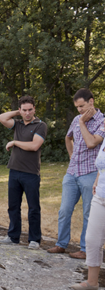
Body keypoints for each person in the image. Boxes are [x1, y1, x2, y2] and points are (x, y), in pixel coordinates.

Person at [47, 89, 105, 259]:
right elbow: (68, 137)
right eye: (77, 107)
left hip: (90, 173)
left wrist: (82, 123)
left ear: (91, 102)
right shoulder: (76, 119)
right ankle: (61, 244)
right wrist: (72, 157)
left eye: (82, 106)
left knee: (89, 213)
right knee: (64, 210)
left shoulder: (102, 121)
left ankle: (85, 249)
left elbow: (91, 143)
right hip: (72, 173)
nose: (79, 110)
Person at [0, 96, 47, 249]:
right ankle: (13, 237)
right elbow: (1, 117)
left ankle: (34, 239)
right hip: (14, 171)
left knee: (33, 208)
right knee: (13, 206)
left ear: (34, 109)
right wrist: (18, 113)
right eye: (24, 110)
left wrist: (14, 142)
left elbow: (34, 146)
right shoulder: (17, 124)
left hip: (31, 173)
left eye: (30, 110)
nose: (27, 113)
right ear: (20, 110)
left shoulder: (40, 125)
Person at [71, 138, 105, 290]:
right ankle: (92, 282)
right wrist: (97, 179)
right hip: (100, 196)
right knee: (92, 239)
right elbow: (101, 165)